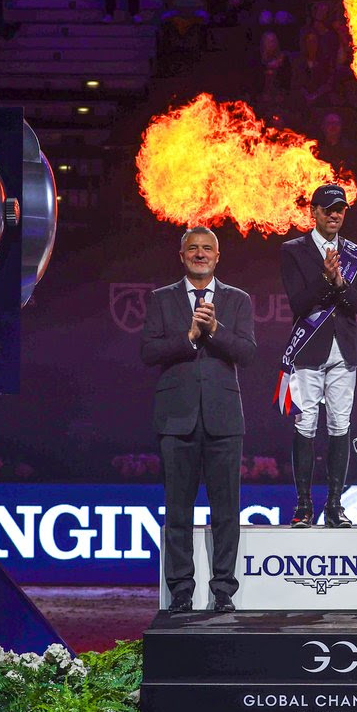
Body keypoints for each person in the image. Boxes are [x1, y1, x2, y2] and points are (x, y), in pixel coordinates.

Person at [141, 227, 257, 612]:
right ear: (182, 255)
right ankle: (181, 593)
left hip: (224, 420)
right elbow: (149, 352)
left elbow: (246, 352)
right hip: (176, 420)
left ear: (218, 256)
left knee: (226, 511)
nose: (201, 254)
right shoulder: (161, 300)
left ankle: (223, 590)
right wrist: (189, 336)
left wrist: (214, 330)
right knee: (178, 511)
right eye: (193, 248)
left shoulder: (238, 300)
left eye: (208, 248)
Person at [278, 185, 357, 528]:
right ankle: (303, 506)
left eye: (341, 210)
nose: (335, 215)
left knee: (339, 425)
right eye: (328, 209)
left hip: (343, 353)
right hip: (308, 352)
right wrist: (326, 278)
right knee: (305, 424)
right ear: (313, 211)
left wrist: (342, 284)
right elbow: (299, 304)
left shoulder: (355, 253)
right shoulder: (293, 250)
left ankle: (334, 506)